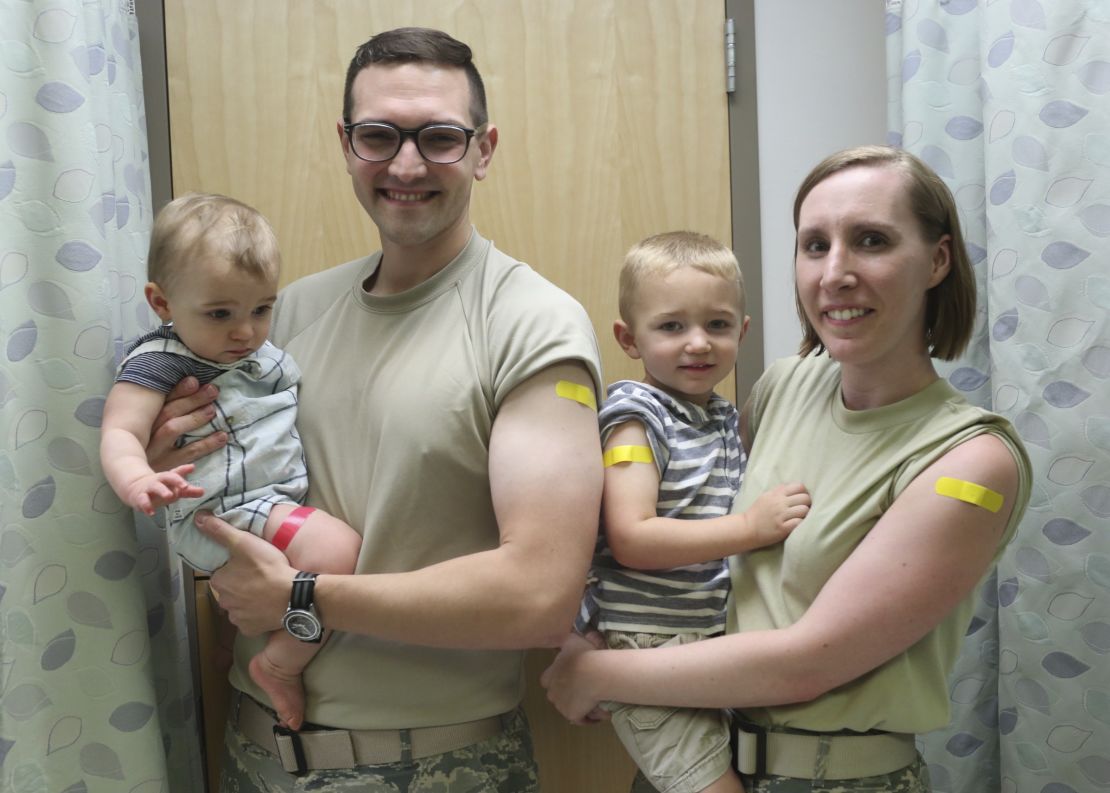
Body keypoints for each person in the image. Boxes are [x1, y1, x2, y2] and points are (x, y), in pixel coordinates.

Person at [144, 28, 603, 792]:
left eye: (441, 138)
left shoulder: (531, 323)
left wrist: (300, 596)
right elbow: (221, 489)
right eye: (380, 135)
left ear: (484, 150)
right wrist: (173, 466)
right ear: (347, 143)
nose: (407, 163)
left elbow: (540, 598)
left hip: (437, 764)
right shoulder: (273, 317)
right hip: (254, 749)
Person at [542, 145, 1033, 793]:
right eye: (814, 244)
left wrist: (596, 673)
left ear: (938, 260)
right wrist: (592, 631)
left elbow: (807, 663)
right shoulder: (783, 387)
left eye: (871, 240)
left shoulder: (971, 462)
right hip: (704, 752)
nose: (835, 272)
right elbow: (685, 542)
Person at [101, 193, 362, 732]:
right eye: (220, 313)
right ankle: (280, 664)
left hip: (265, 500)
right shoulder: (160, 362)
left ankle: (229, 639)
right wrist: (138, 479)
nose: (245, 331)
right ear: (162, 303)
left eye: (261, 309)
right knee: (338, 549)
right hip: (222, 513)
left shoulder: (252, 351)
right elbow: (121, 431)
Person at [576, 231, 811, 793]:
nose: (699, 343)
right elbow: (631, 537)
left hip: (705, 645)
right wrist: (750, 529)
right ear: (628, 339)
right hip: (648, 644)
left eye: (719, 325)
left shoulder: (721, 416)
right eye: (672, 326)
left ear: (743, 332)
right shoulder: (637, 417)